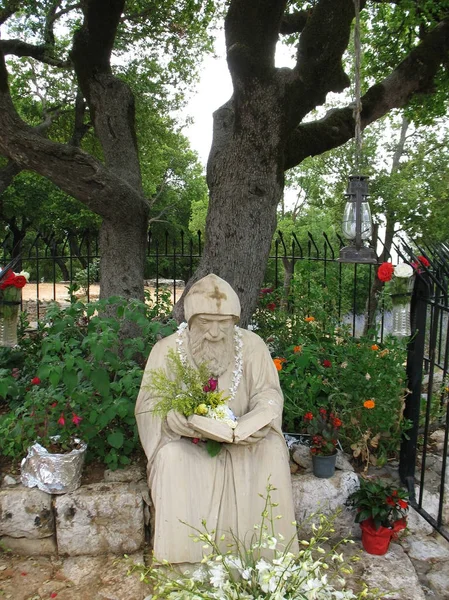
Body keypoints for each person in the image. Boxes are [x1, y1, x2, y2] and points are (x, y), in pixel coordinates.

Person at [135, 274, 298, 564]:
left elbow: (269, 394)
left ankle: (266, 560)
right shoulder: (167, 350)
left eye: (223, 323)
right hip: (188, 442)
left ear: (234, 321)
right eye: (205, 323)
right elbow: (149, 405)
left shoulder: (253, 346)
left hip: (244, 440)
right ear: (191, 319)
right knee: (172, 458)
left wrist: (260, 420)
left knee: (272, 449)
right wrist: (173, 419)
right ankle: (184, 564)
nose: (214, 332)